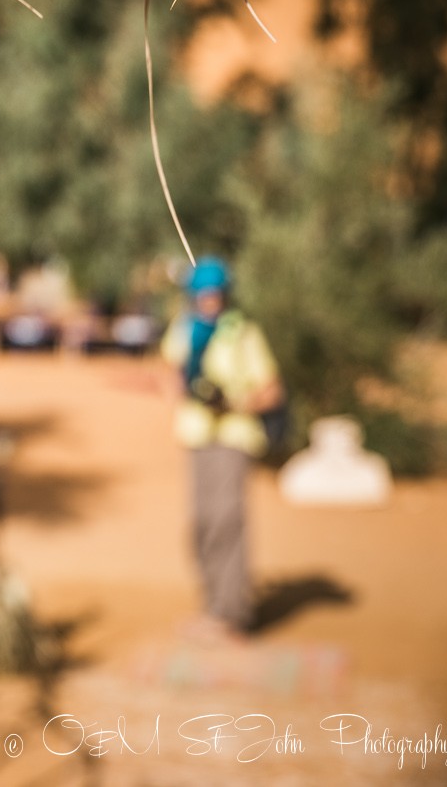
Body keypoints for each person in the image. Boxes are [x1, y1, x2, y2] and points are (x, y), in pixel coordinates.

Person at [160, 256, 284, 639]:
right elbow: (171, 376)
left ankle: (233, 615)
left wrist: (235, 403)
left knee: (227, 521)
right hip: (198, 437)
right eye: (203, 294)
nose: (209, 301)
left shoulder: (244, 332)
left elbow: (271, 391)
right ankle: (212, 607)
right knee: (202, 524)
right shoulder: (184, 330)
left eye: (215, 294)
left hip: (233, 438)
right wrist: (188, 392)